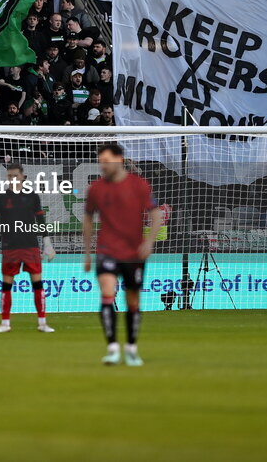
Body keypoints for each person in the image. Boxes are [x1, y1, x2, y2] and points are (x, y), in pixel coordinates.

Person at [82, 143, 163, 366]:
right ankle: (112, 348)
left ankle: (131, 348)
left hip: (133, 253)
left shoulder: (139, 185)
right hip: (106, 250)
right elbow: (88, 220)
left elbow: (156, 215)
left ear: (119, 159)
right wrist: (88, 253)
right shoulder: (96, 188)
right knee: (107, 294)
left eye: (106, 161)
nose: (103, 166)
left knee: (133, 300)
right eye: (101, 162)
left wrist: (149, 242)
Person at [0, 164, 56, 334]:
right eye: (9, 176)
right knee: (6, 286)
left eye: (15, 175)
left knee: (37, 284)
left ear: (23, 176)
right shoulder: (0, 198)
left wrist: (47, 243)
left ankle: (42, 322)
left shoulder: (32, 196)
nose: (12, 179)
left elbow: (40, 221)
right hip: (10, 246)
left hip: (30, 245)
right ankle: (5, 323)